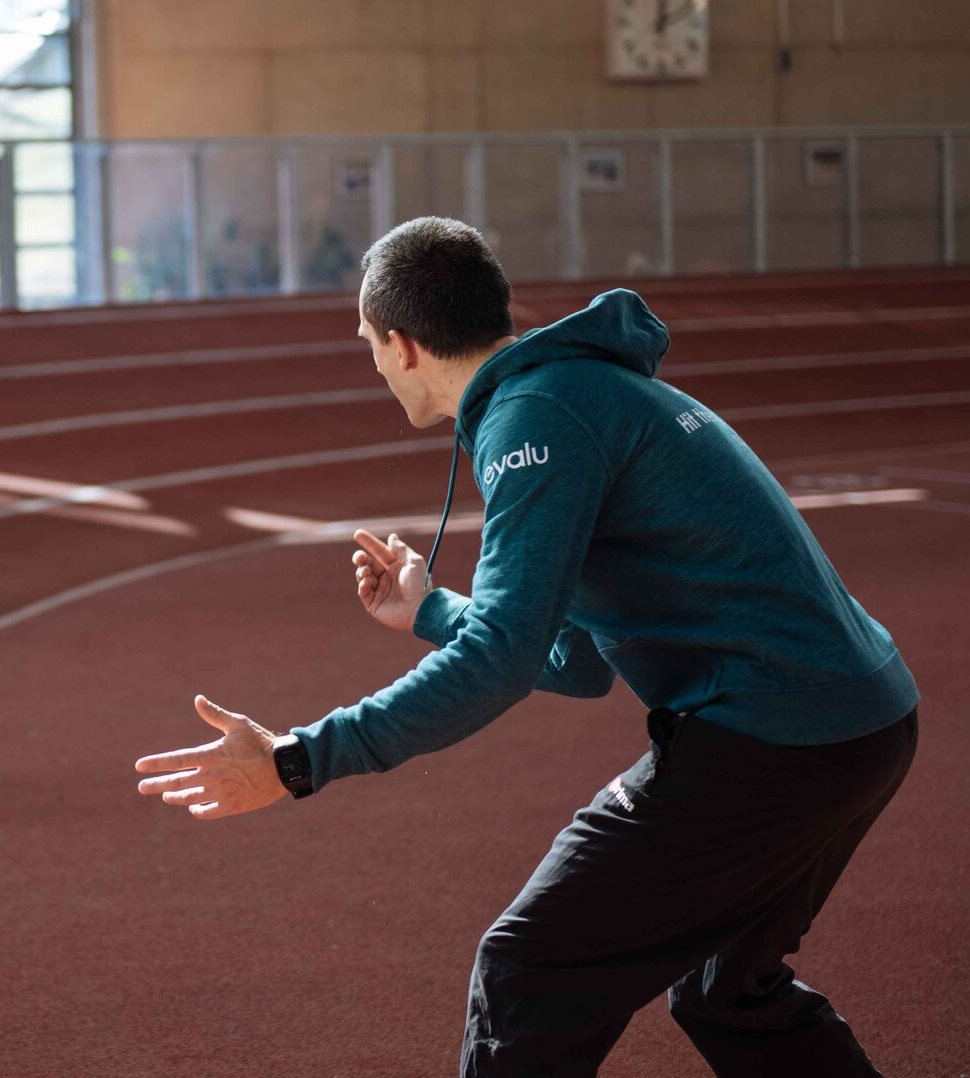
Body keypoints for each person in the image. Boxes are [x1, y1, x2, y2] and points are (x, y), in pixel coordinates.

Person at [135, 216, 918, 1076]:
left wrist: (295, 760)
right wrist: (432, 612)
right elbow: (574, 662)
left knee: (528, 972)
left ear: (400, 344)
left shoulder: (534, 420)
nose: (370, 359)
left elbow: (501, 662)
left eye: (365, 341)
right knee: (727, 987)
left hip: (775, 739)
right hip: (860, 722)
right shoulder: (571, 395)